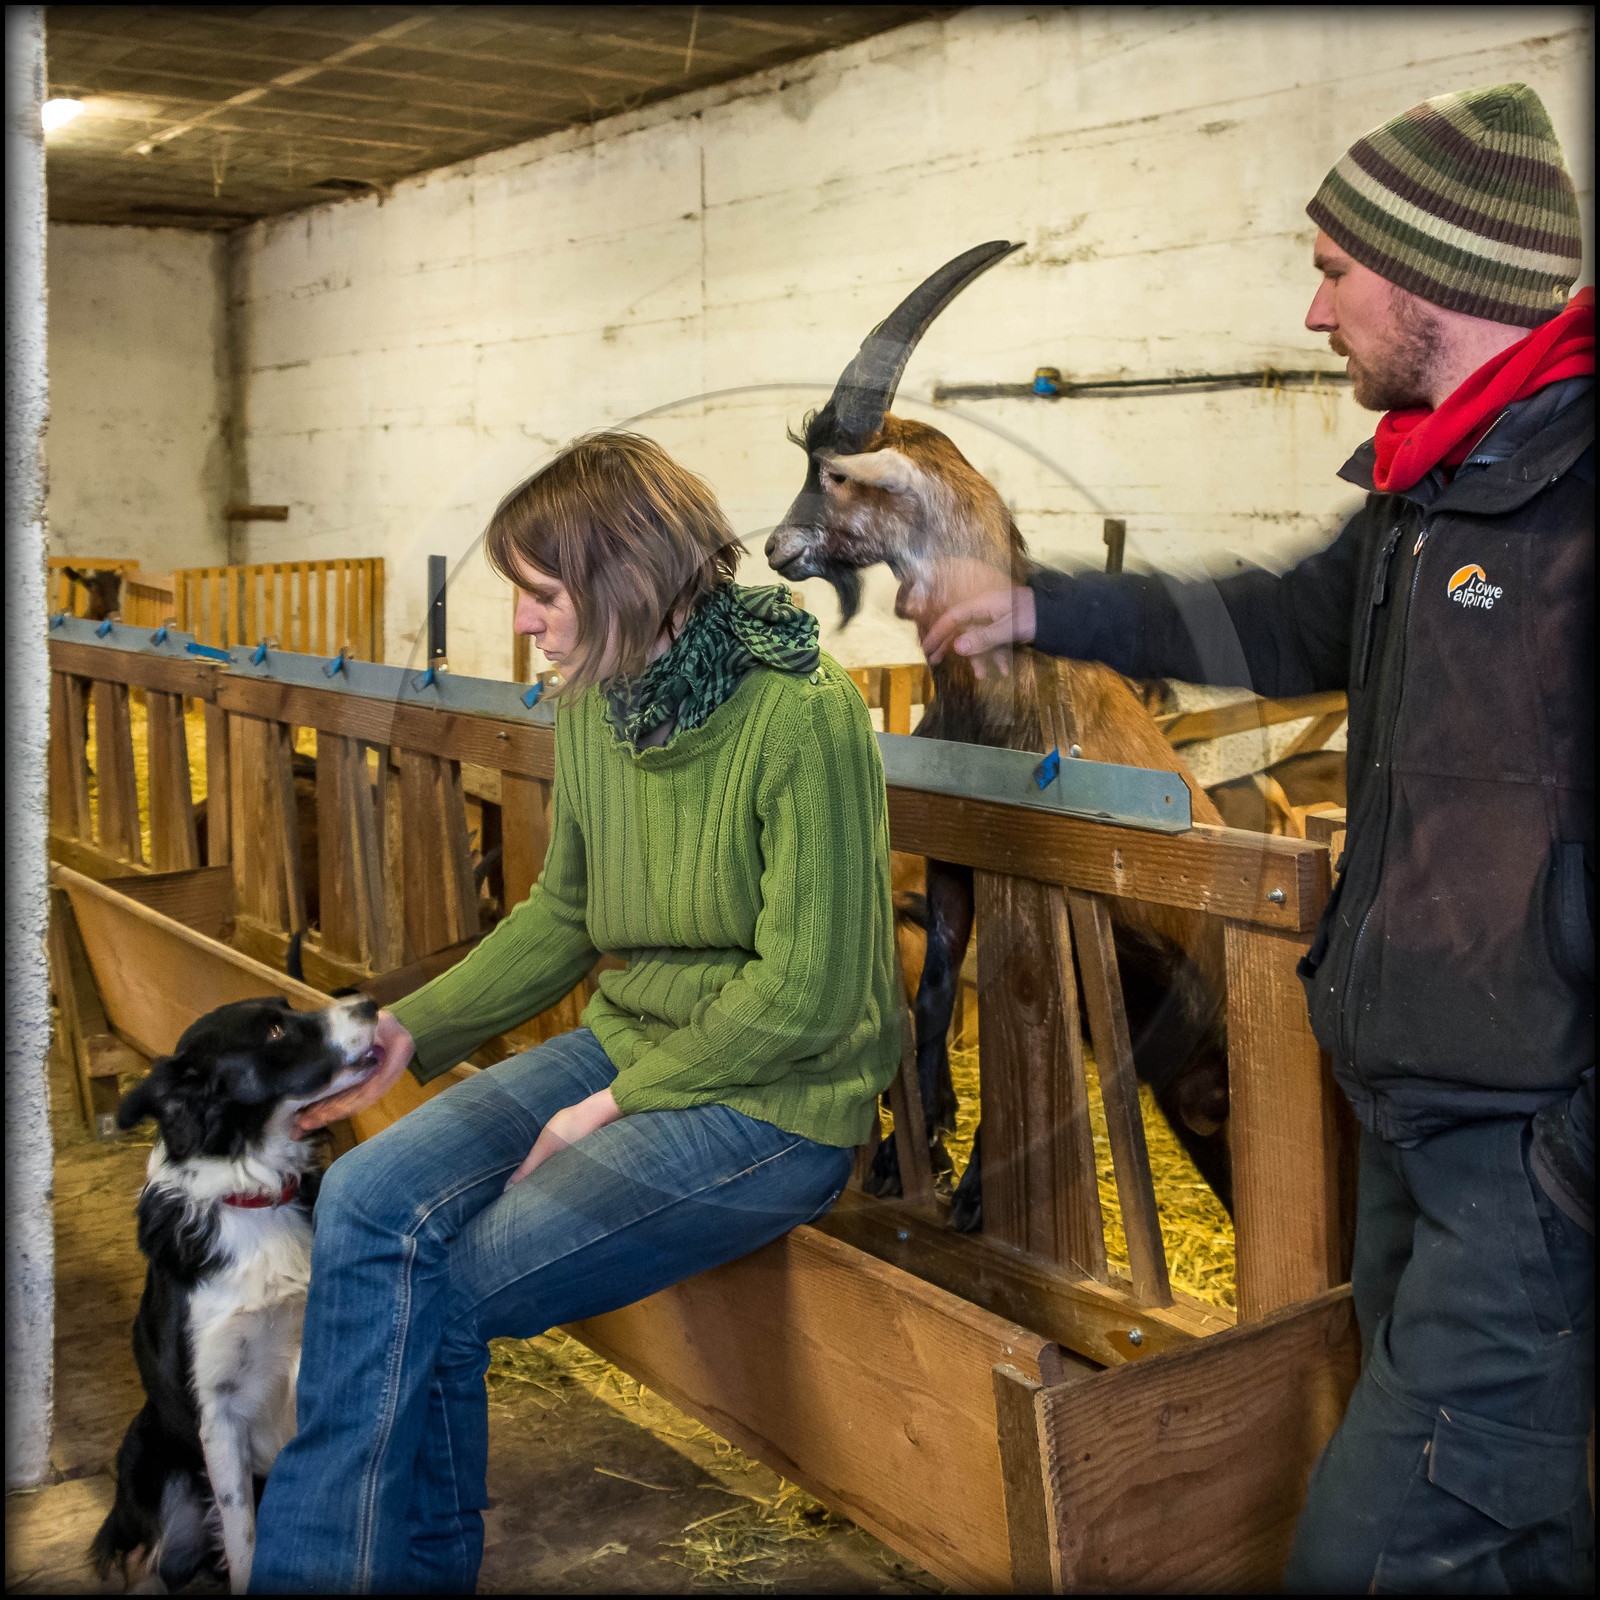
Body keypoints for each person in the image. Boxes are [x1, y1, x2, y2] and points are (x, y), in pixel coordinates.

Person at [921, 83, 1593, 1593]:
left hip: (1528, 1155)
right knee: (1525, 1530)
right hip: (1419, 1109)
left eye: (1334, 270)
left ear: (1433, 277)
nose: (1310, 309)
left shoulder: (1568, 504)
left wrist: (1567, 1164)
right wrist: (1036, 604)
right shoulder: (1442, 489)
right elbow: (1288, 615)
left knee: (1369, 1550)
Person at [249, 431, 901, 1594]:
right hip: (634, 1049)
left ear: (624, 582)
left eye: (542, 596)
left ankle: (415, 1569)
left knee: (437, 1291)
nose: (525, 626)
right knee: (363, 1196)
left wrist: (613, 1102)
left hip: (775, 1107)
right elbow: (566, 913)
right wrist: (414, 1032)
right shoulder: (599, 701)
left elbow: (809, 992)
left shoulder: (803, 714)